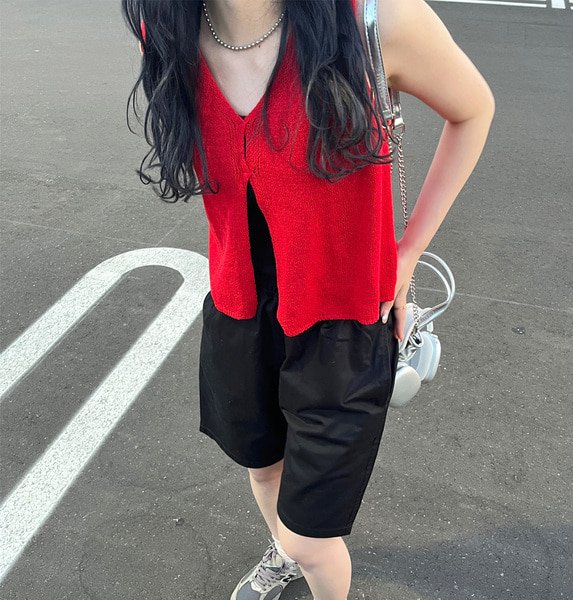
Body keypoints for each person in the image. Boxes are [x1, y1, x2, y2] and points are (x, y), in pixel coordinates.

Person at [122, 0, 494, 598]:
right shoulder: (165, 26)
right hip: (240, 311)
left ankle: (297, 552)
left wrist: (406, 255)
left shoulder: (376, 21)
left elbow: (473, 110)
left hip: (341, 326)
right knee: (263, 470)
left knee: (313, 541)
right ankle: (284, 552)